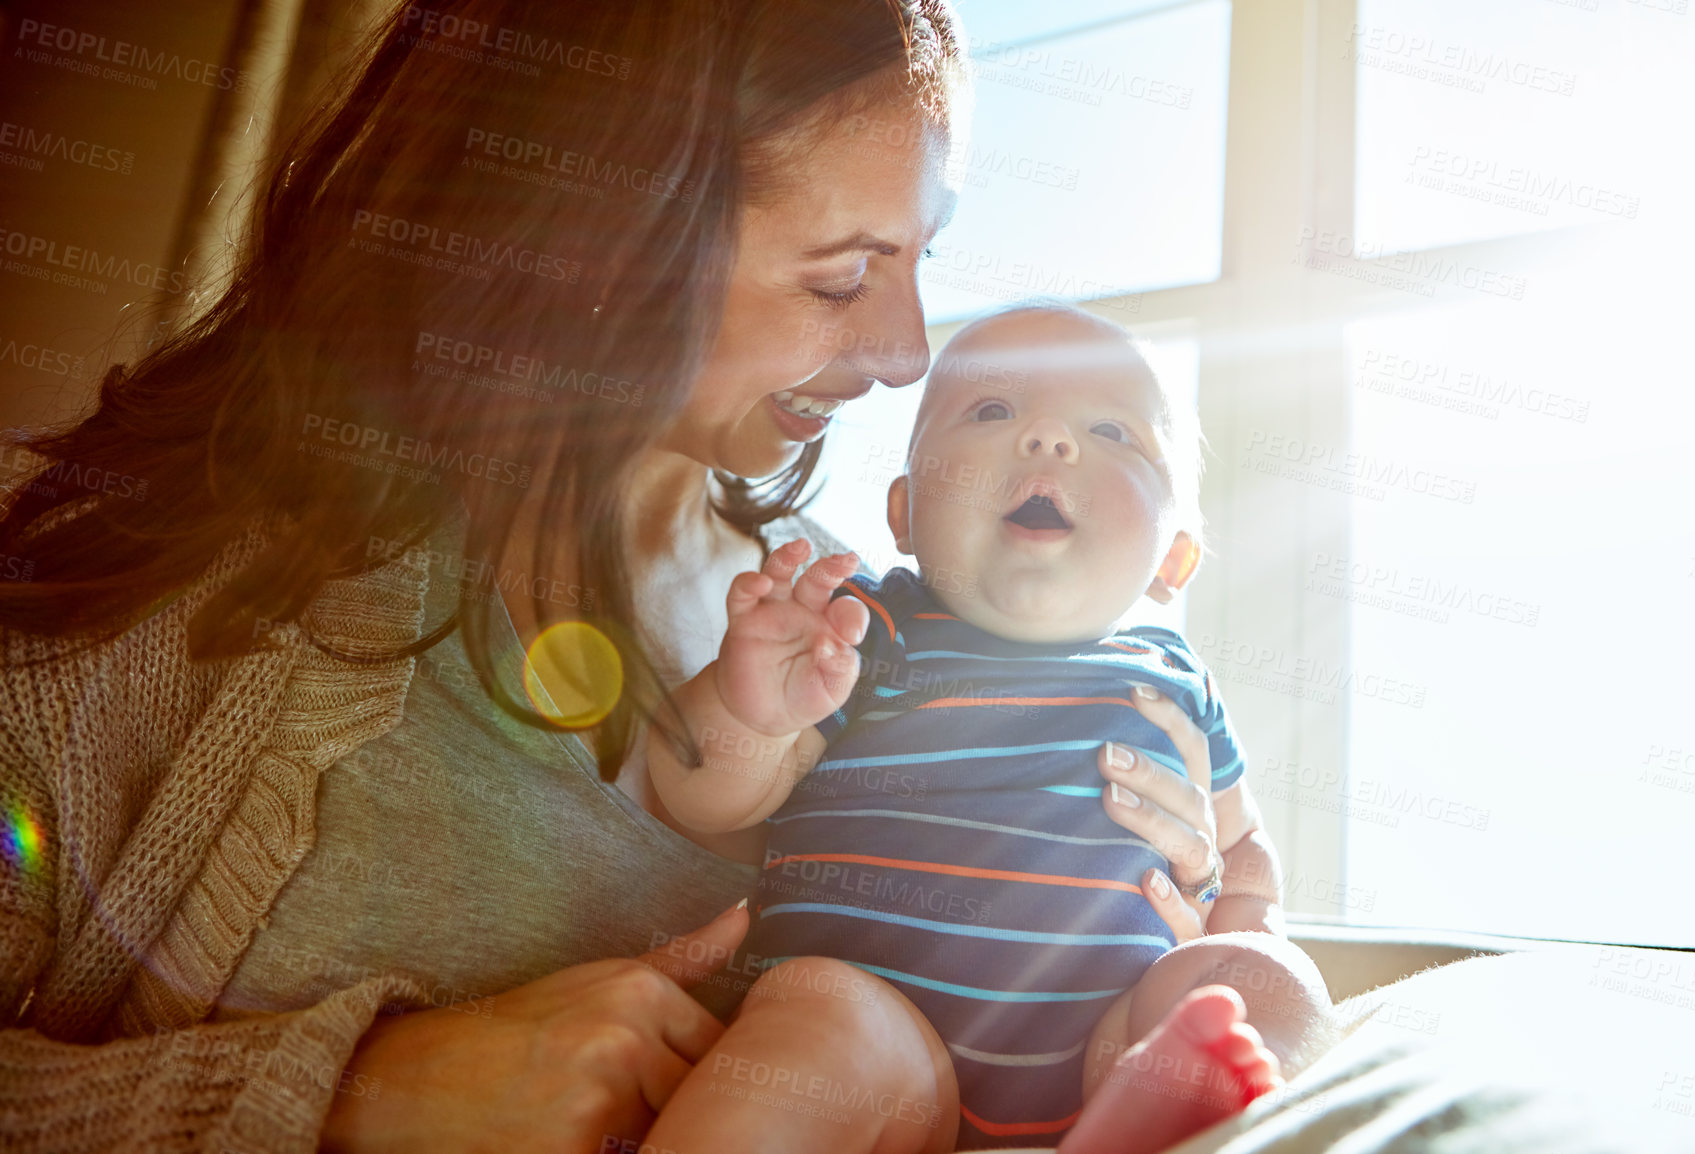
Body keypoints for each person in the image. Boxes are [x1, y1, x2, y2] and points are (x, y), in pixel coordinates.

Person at [0, 2, 1252, 1151]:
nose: (903, 348)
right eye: (840, 275)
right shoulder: (161, 588)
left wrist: (1151, 904)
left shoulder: (850, 630)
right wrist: (354, 1091)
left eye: (919, 257)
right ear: (593, 242)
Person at [642, 306, 1337, 1152]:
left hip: (1106, 1049)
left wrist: (1248, 927)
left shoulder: (1176, 678)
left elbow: (1243, 837)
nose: (1048, 439)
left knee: (1266, 985)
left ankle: (1181, 1114)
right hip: (880, 1036)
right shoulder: (869, 624)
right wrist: (753, 709)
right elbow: (701, 800)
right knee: (819, 1015)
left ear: (1174, 560)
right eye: (993, 413)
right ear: (903, 513)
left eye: (1112, 430)